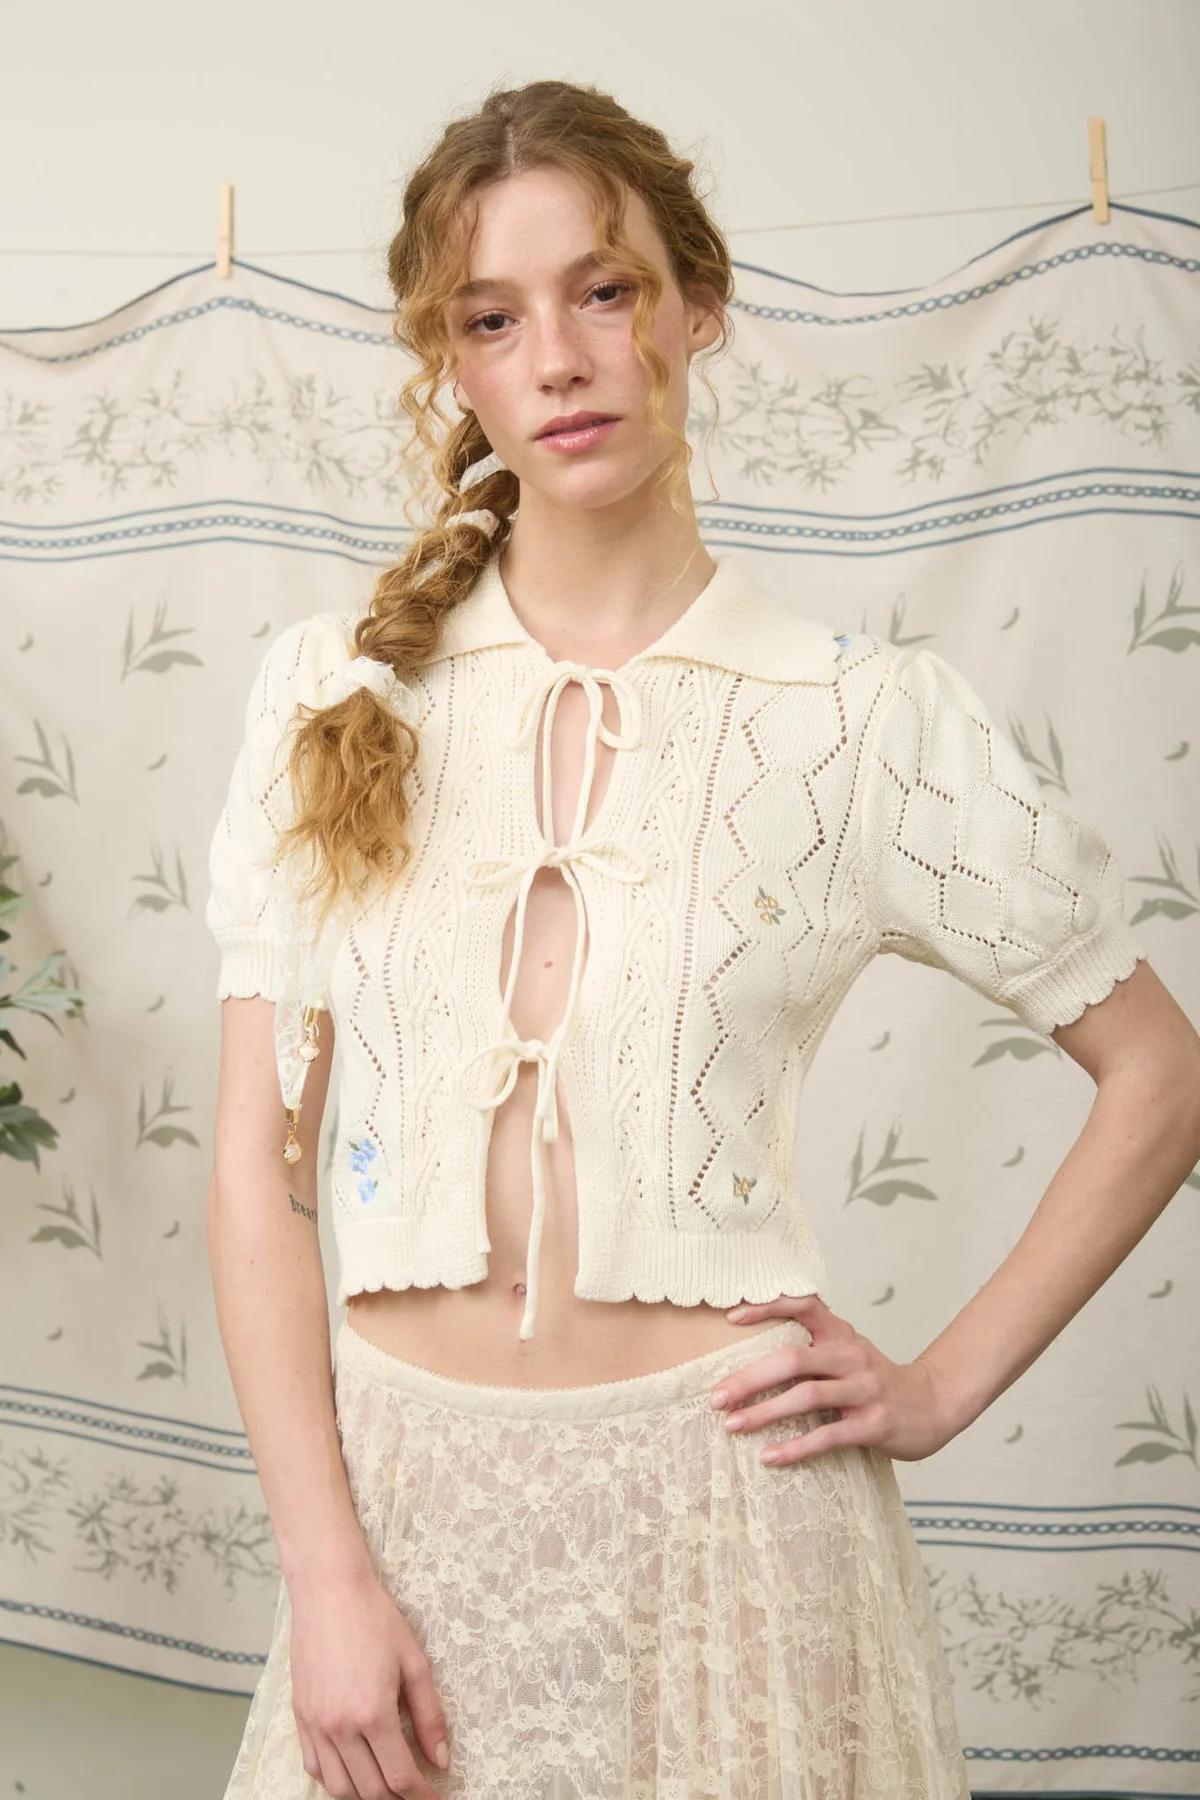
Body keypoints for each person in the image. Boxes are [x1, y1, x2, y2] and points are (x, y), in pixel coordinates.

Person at [206, 77, 1200, 1800]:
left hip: (734, 1530)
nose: (563, 360)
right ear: (454, 365)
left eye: (607, 291)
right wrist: (325, 1572)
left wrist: (943, 1387)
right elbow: (252, 1169)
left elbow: (1159, 1074)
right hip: (401, 1521)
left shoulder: (861, 719)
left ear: (697, 307)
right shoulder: (330, 694)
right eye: (494, 320)